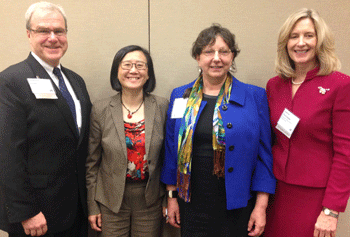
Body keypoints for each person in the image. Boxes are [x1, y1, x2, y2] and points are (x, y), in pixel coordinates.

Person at [160, 24, 276, 237]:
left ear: (232, 57)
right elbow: (171, 150)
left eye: (224, 51)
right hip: (191, 202)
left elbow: (264, 156)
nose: (216, 58)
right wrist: (171, 197)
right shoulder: (180, 96)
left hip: (237, 204)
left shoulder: (254, 96)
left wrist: (261, 206)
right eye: (208, 51)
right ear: (197, 57)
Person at [0, 2, 91, 237]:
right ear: (29, 34)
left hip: (77, 211)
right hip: (37, 217)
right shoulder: (11, 81)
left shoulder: (76, 82)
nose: (53, 38)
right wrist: (25, 211)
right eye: (43, 31)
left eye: (59, 31)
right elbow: (7, 152)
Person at [264, 8, 350, 237]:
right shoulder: (274, 85)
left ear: (320, 40)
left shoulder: (340, 85)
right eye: (294, 36)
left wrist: (331, 210)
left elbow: (346, 152)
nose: (300, 43)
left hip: (314, 197)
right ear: (285, 43)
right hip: (274, 192)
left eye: (308, 35)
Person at [86, 45, 168, 236]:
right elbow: (92, 163)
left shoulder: (163, 106)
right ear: (117, 71)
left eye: (140, 65)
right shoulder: (101, 109)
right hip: (111, 200)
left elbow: (168, 157)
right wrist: (92, 206)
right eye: (127, 65)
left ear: (148, 74)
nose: (133, 70)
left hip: (150, 199)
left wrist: (168, 198)